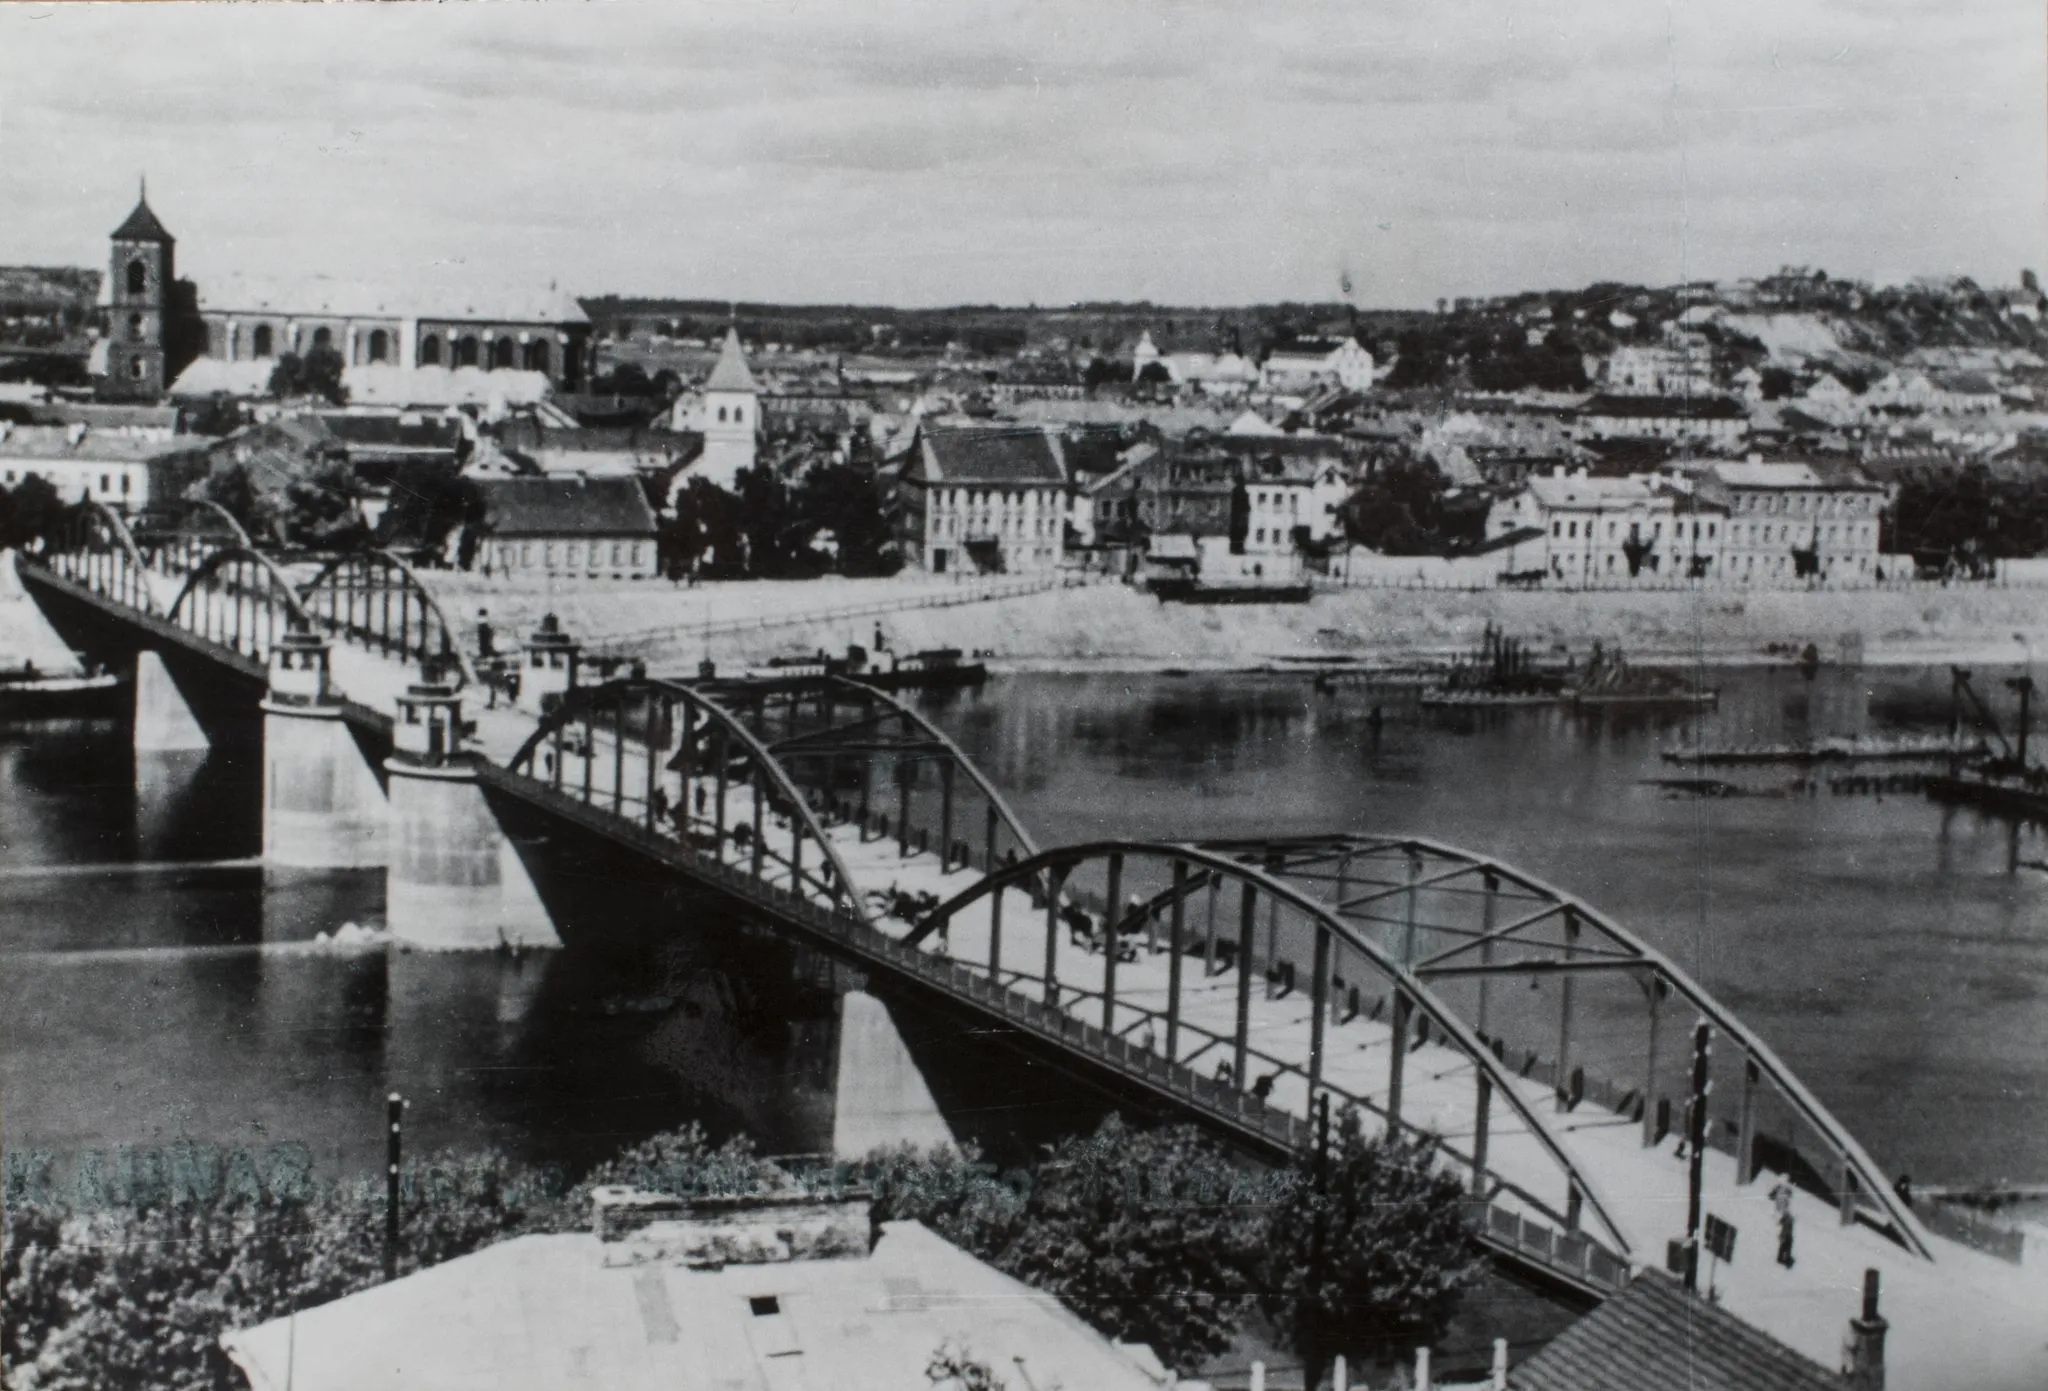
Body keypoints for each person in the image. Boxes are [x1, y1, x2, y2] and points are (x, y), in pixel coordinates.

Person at [1771, 1176, 1795, 1268]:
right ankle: (1783, 1258)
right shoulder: (1783, 1193)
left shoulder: (1782, 1192)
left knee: (1787, 1241)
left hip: (1784, 1216)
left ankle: (1783, 1258)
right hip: (1784, 1216)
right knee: (1787, 1240)